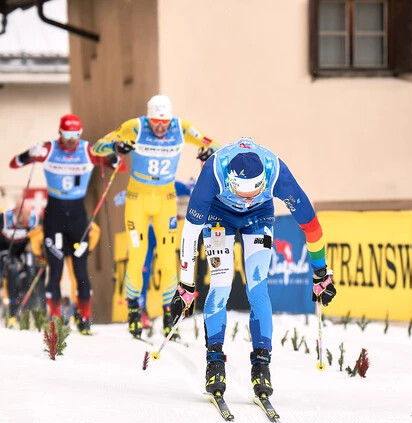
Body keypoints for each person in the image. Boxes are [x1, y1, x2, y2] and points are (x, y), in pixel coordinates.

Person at [170, 137, 336, 400]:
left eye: (253, 192)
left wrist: (321, 272)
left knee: (258, 290)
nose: (247, 199)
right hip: (219, 214)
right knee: (221, 286)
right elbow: (189, 233)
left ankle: (261, 365)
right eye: (242, 193)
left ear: (263, 183)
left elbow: (312, 226)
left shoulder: (277, 174)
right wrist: (186, 284)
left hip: (259, 216)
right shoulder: (213, 173)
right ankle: (215, 363)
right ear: (230, 182)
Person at [92, 95, 219, 339]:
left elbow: (214, 144)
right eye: (155, 122)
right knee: (137, 254)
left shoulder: (181, 128)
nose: (160, 127)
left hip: (165, 200)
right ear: (148, 117)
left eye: (164, 122)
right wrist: (117, 147)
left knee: (167, 255)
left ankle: (169, 314)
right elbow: (98, 146)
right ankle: (133, 311)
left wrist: (206, 152)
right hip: (137, 199)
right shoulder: (136, 127)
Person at [10, 114, 122, 334]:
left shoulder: (88, 150)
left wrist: (116, 155)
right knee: (56, 269)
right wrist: (28, 154)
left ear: (80, 134)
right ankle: (54, 320)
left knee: (81, 271)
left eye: (75, 134)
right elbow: (14, 164)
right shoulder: (48, 149)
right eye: (67, 133)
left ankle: (84, 319)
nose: (71, 139)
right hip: (54, 216)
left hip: (79, 219)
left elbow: (118, 166)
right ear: (60, 132)